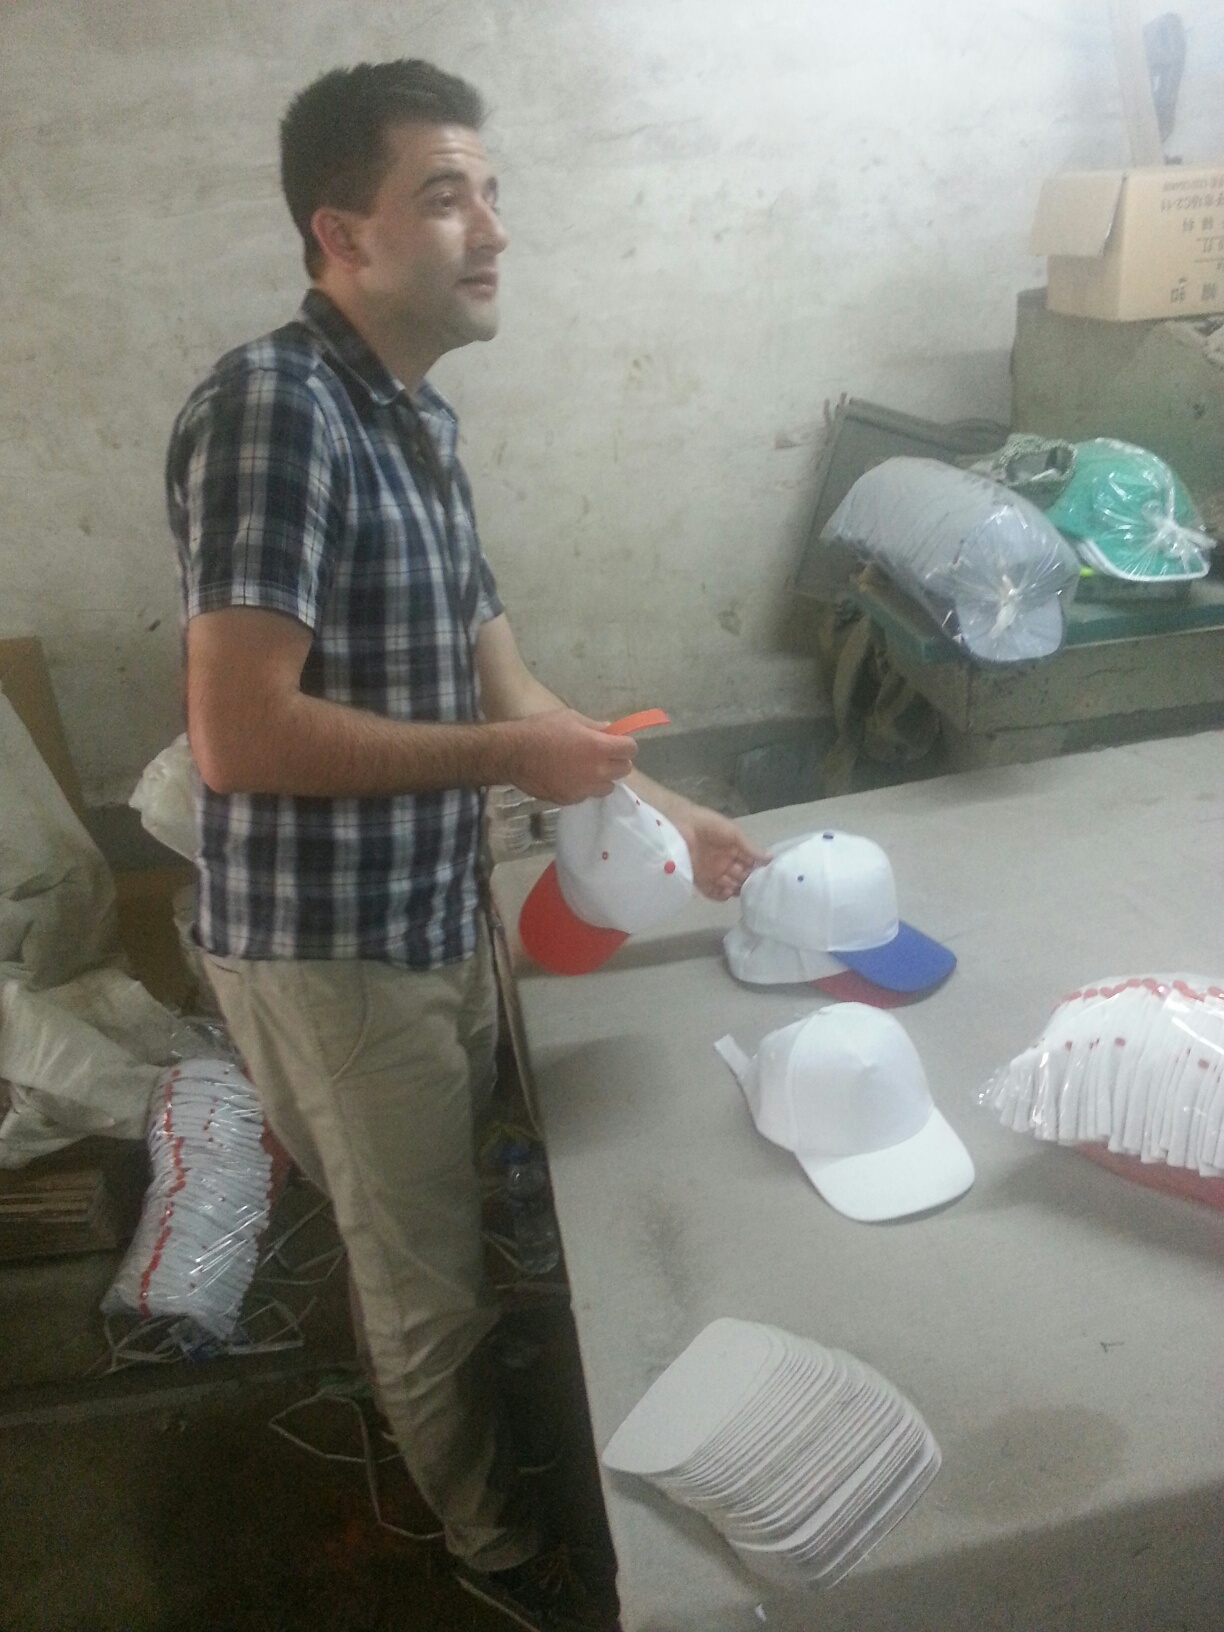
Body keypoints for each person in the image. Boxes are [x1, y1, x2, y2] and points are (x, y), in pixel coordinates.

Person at [167, 58, 763, 1632]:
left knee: (444, 1230)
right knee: (421, 1281)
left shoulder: (417, 422)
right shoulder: (275, 408)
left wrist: (673, 810)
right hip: (330, 949)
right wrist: (513, 762)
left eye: (492, 193)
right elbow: (240, 732)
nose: (491, 229)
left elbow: (512, 687)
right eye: (444, 196)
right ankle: (500, 1559)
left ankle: (482, 1469)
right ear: (340, 232)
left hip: (432, 913)